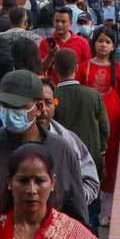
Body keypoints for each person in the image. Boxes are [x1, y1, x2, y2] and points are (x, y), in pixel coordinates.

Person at [0, 72, 91, 234]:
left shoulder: (61, 151)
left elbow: (77, 218)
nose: (10, 112)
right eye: (5, 106)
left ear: (38, 108)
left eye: (17, 107)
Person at [78, 27, 120, 196]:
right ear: (93, 43)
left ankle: (108, 199)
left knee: (111, 158)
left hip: (113, 123)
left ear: (113, 46)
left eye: (107, 42)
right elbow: (77, 91)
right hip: (89, 122)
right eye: (100, 41)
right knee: (90, 156)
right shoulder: (83, 67)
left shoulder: (119, 68)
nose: (103, 45)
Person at [46, 50, 108, 219]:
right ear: (76, 67)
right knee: (92, 210)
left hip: (60, 167)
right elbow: (104, 128)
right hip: (91, 162)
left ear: (54, 68)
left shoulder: (50, 100)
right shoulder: (93, 95)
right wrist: (102, 155)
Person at [36, 7, 91, 78]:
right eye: (57, 21)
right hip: (54, 87)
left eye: (63, 22)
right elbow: (41, 69)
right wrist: (50, 55)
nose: (59, 24)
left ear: (70, 23)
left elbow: (87, 68)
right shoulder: (45, 43)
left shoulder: (82, 43)